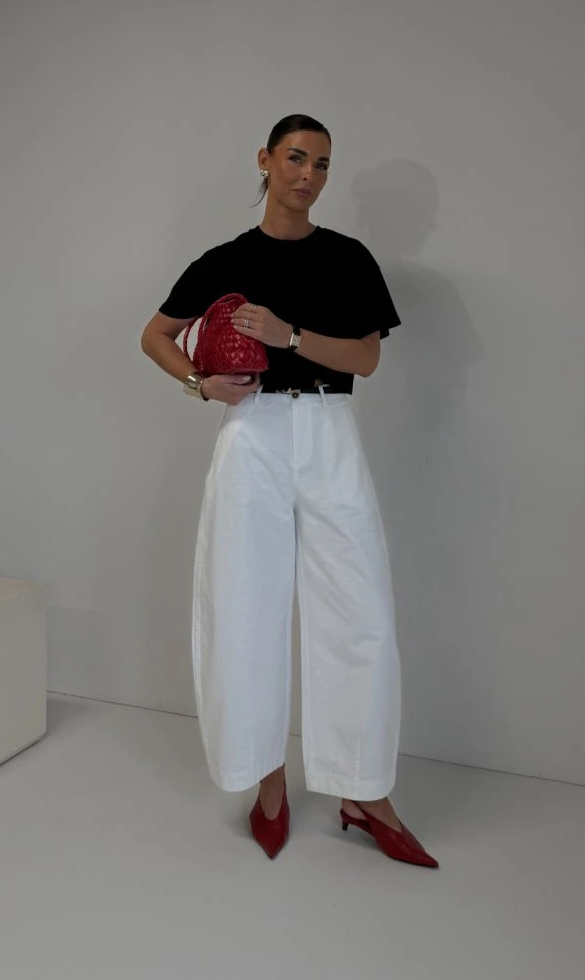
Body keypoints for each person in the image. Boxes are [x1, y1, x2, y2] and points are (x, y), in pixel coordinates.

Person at [140, 113, 438, 868]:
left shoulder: (348, 258)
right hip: (255, 435)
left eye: (323, 164)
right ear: (266, 160)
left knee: (360, 612)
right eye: (297, 158)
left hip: (331, 431)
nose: (309, 175)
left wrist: (290, 337)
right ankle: (267, 782)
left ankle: (363, 791)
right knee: (246, 607)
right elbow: (155, 335)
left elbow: (365, 359)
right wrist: (200, 385)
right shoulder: (225, 260)